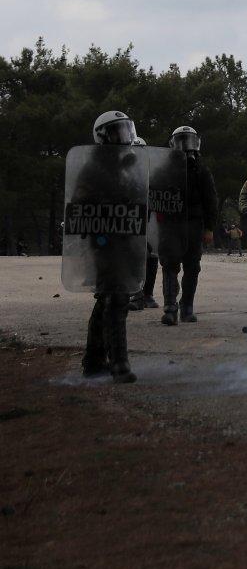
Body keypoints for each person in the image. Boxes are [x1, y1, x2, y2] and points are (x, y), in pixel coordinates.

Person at [79, 110, 141, 383]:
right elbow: (80, 203)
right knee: (116, 297)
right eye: (118, 131)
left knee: (108, 297)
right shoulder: (93, 167)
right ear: (103, 136)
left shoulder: (124, 165)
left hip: (124, 239)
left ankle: (93, 361)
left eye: (126, 130)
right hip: (104, 241)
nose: (124, 136)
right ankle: (119, 363)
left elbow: (137, 195)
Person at [159, 126, 218, 325]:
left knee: (192, 267)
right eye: (181, 140)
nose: (186, 145)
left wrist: (209, 228)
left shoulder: (201, 170)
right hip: (169, 224)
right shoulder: (164, 169)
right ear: (173, 144)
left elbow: (211, 200)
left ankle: (187, 307)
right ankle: (170, 308)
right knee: (169, 265)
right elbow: (154, 196)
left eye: (189, 140)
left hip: (194, 224)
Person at [128, 136, 160, 312]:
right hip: (130, 220)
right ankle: (134, 293)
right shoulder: (124, 173)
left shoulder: (153, 173)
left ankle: (147, 294)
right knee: (132, 257)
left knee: (151, 255)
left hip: (150, 221)